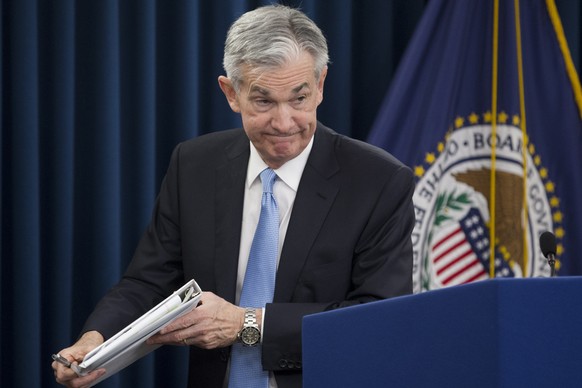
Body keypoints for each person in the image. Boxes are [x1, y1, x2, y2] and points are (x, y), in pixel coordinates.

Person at [52, 4, 415, 388]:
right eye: (264, 101)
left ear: (321, 85)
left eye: (299, 98)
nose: (284, 122)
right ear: (231, 93)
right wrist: (97, 341)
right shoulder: (194, 164)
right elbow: (149, 281)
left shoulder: (379, 181)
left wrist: (247, 324)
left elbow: (378, 319)